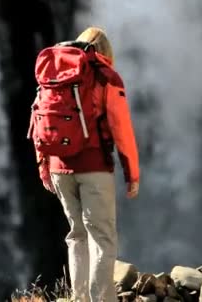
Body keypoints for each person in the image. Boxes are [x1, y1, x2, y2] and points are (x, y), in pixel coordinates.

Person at [35, 26, 140, 302]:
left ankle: (79, 298)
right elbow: (122, 129)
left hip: (59, 167)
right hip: (93, 167)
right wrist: (132, 173)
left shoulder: (54, 73)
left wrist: (43, 164)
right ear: (107, 51)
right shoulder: (106, 77)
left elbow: (38, 121)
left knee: (77, 235)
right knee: (103, 238)